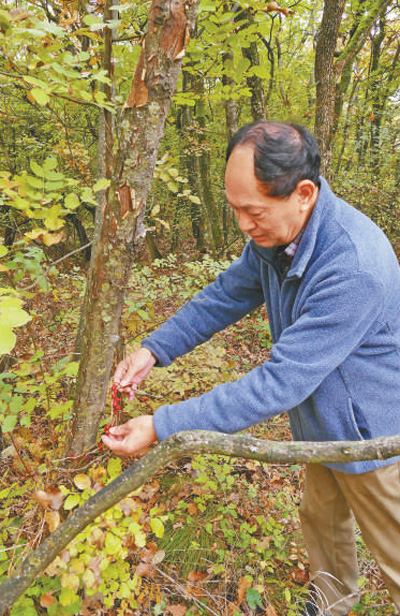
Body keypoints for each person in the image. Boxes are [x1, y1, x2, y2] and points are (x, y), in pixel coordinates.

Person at [102, 121, 400, 616]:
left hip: (374, 437)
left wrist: (162, 425)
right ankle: (332, 600)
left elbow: (277, 383)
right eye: (235, 209)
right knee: (322, 519)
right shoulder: (277, 236)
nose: (243, 224)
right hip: (321, 426)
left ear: (303, 193)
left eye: (253, 210)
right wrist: (154, 349)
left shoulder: (353, 265)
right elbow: (227, 295)